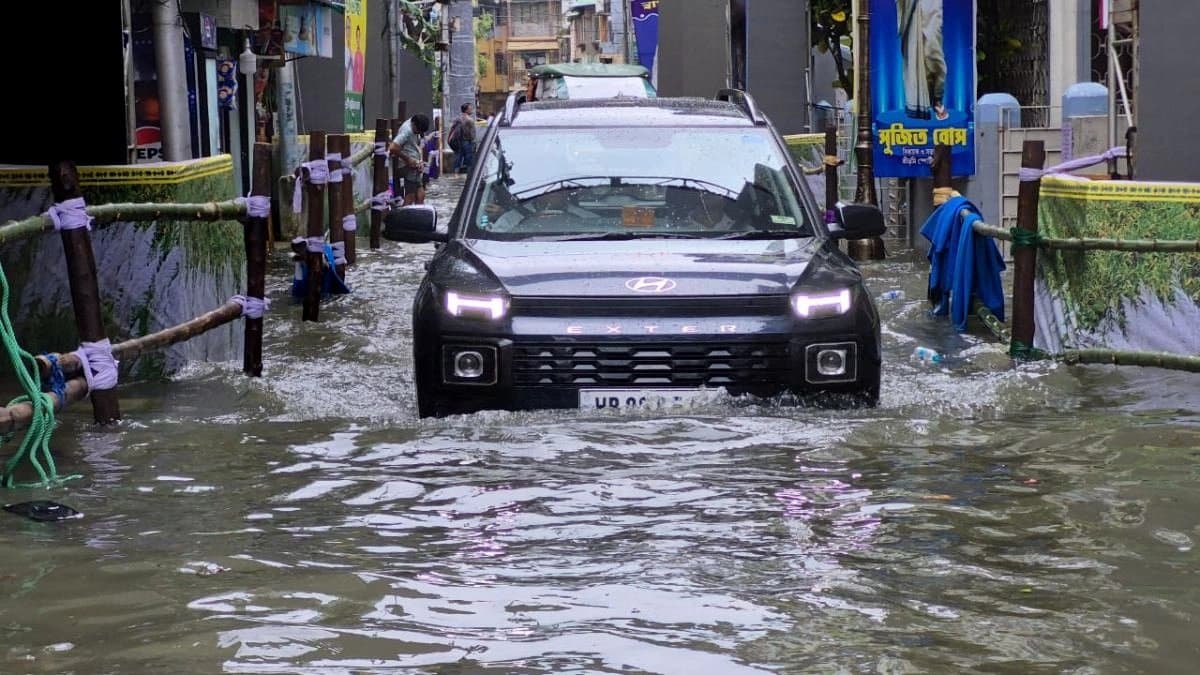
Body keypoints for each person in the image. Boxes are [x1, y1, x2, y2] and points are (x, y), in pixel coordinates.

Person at [897, 0, 948, 121]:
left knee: (933, 53)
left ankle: (937, 97)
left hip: (932, 6)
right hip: (912, 6)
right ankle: (923, 101)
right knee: (915, 52)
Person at [388, 113, 431, 205]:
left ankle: (418, 212)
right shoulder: (407, 132)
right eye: (418, 131)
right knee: (410, 196)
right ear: (414, 124)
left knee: (421, 194)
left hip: (415, 164)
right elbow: (392, 147)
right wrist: (408, 160)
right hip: (408, 166)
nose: (418, 133)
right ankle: (405, 212)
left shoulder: (413, 123)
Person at [447, 103, 477, 174]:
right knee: (469, 160)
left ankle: (455, 174)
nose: (472, 110)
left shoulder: (457, 119)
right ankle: (469, 175)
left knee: (458, 158)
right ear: (466, 110)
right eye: (470, 108)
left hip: (458, 142)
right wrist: (474, 143)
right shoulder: (470, 120)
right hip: (468, 142)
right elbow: (472, 134)